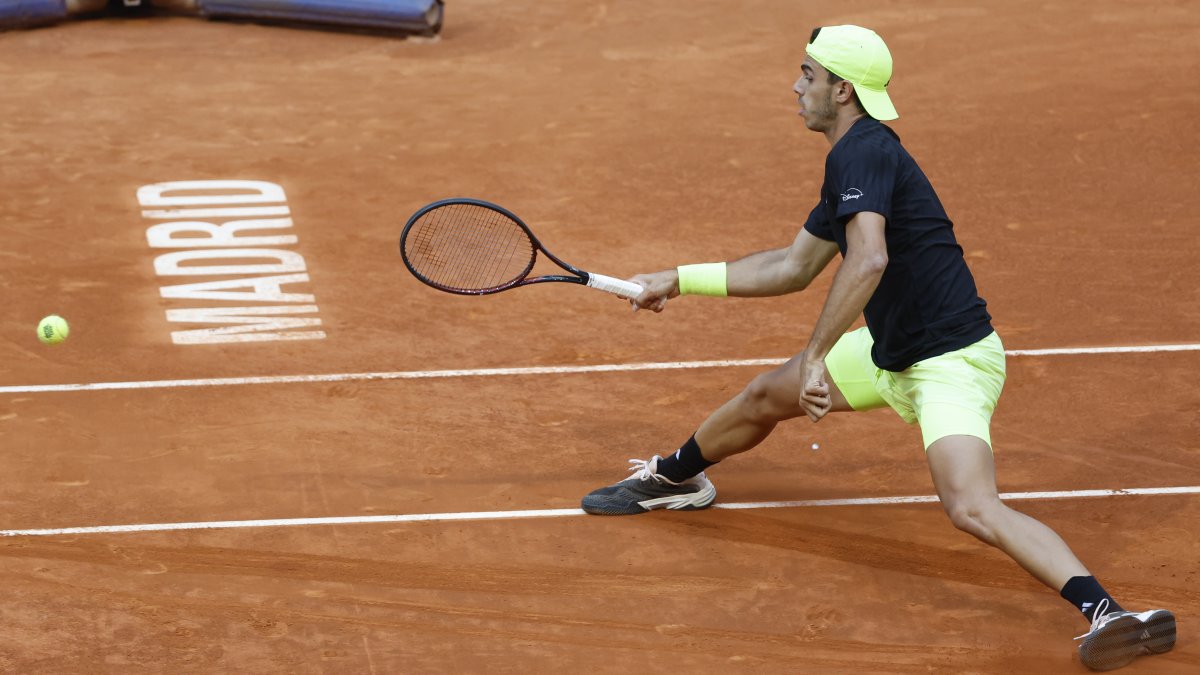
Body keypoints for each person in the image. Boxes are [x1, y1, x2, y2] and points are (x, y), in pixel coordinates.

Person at [580, 25, 1176, 671]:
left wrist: (815, 355)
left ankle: (1111, 614)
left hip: (950, 360)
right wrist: (677, 279)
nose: (795, 86)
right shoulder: (856, 158)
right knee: (763, 396)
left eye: (807, 75)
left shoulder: (860, 154)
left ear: (841, 89)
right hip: (895, 351)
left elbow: (867, 260)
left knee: (970, 505)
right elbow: (791, 266)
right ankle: (676, 475)